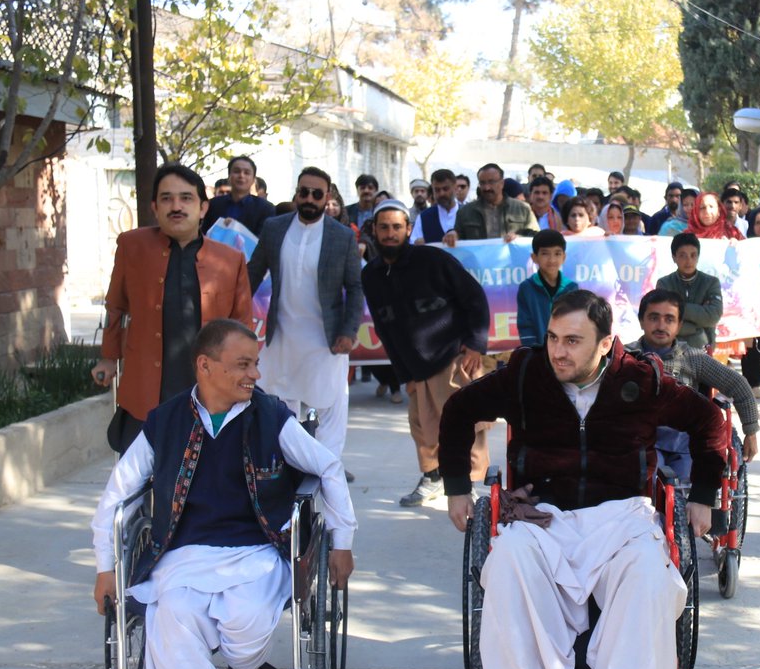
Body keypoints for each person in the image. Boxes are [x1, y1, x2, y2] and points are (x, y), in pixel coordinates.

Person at [438, 290, 725, 669]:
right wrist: (455, 488)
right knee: (507, 563)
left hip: (621, 514)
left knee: (650, 577)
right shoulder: (527, 373)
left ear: (605, 342)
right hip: (542, 512)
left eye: (573, 341)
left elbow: (709, 421)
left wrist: (703, 495)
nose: (558, 351)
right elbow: (459, 411)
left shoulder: (642, 377)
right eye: (553, 338)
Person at [90, 318, 356, 669]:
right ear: (205, 366)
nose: (254, 374)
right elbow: (117, 494)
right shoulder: (166, 421)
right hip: (183, 554)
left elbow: (328, 467)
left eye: (255, 364)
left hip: (256, 551)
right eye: (242, 365)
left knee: (246, 626)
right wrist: (105, 567)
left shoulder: (271, 417)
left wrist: (341, 541)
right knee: (169, 618)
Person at [92, 163, 253, 453]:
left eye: (186, 198)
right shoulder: (132, 246)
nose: (176, 206)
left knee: (204, 479)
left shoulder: (229, 260)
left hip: (209, 389)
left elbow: (242, 325)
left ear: (203, 208)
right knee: (138, 479)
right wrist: (107, 357)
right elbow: (115, 306)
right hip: (146, 388)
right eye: (166, 198)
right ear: (155, 207)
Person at [362, 199, 491, 506]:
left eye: (397, 227)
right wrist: (402, 372)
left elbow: (474, 298)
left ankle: (469, 485)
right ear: (374, 232)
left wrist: (475, 344)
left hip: (453, 357)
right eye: (384, 228)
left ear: (408, 229)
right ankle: (433, 478)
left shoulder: (433, 260)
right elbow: (384, 327)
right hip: (414, 366)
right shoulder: (372, 276)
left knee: (464, 425)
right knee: (421, 426)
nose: (390, 234)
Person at [248, 167, 364, 478]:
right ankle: (288, 467)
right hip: (282, 335)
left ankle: (326, 470)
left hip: (326, 338)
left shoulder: (341, 237)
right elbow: (251, 274)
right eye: (304, 192)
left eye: (317, 194)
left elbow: (355, 287)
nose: (309, 199)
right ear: (296, 194)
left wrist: (349, 331)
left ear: (328, 198)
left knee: (330, 407)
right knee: (279, 406)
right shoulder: (274, 228)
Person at [625, 289, 760, 475]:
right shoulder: (626, 358)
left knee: (691, 482)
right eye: (654, 318)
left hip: (686, 445)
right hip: (641, 443)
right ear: (641, 321)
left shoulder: (693, 358)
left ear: (679, 325)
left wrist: (751, 432)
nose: (661, 325)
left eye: (669, 319)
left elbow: (738, 385)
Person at [655, 233, 723, 350]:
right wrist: (696, 326)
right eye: (683, 256)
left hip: (703, 348)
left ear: (698, 256)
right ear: (674, 257)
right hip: (670, 349)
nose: (689, 261)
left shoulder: (711, 283)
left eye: (693, 255)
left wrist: (677, 308)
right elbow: (664, 321)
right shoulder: (664, 284)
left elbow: (713, 315)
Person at [517, 229, 579, 347]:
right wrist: (534, 351)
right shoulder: (527, 288)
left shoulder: (571, 288)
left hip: (566, 351)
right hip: (538, 352)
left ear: (564, 257)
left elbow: (575, 323)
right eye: (545, 253)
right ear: (534, 257)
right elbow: (525, 325)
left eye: (557, 253)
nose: (552, 260)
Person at [455, 163, 539, 242]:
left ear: (502, 183)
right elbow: (458, 238)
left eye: (491, 182)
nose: (486, 187)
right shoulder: (465, 212)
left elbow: (537, 237)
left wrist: (519, 239)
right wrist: (452, 234)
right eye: (482, 183)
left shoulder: (523, 209)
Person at [201, 156, 276, 237]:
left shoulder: (265, 208)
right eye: (237, 171)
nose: (241, 176)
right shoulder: (213, 204)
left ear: (253, 179)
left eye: (247, 173)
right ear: (229, 176)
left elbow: (263, 240)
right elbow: (203, 233)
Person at [411, 169, 460, 246]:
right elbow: (413, 244)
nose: (441, 194)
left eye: (445, 189)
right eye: (437, 190)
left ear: (455, 188)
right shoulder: (424, 217)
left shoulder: (468, 214)